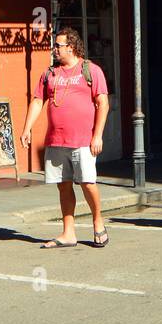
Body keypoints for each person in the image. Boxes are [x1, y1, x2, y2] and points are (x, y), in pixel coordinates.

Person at [20, 27, 110, 249]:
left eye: (58, 46)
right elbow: (37, 101)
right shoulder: (50, 74)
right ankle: (69, 232)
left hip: (83, 140)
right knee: (63, 186)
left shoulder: (90, 70)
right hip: (57, 140)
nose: (54, 49)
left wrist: (97, 135)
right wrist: (26, 128)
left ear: (71, 47)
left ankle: (97, 220)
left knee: (88, 183)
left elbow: (103, 103)